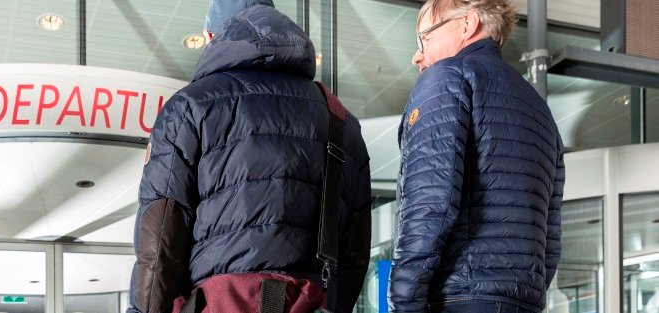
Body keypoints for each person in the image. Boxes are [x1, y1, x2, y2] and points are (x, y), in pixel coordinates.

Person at [127, 1, 372, 312]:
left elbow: (160, 241)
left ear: (214, 36)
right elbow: (355, 252)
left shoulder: (189, 106)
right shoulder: (340, 120)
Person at [387, 0, 565, 312]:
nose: (417, 56)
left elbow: (430, 204)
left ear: (467, 25)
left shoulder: (446, 78)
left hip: (458, 297)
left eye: (423, 39)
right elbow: (549, 234)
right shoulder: (540, 110)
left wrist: (403, 303)